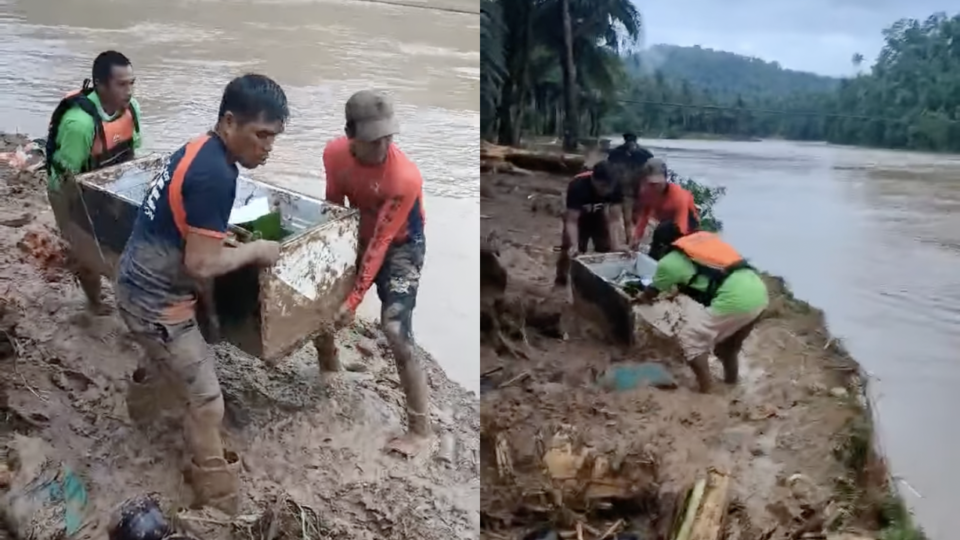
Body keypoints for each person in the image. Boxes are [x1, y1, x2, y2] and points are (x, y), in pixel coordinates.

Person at [114, 74, 288, 512]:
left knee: (162, 355)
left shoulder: (198, 149)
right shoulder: (216, 175)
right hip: (157, 302)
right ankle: (215, 493)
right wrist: (255, 250)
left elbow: (184, 223)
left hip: (135, 281)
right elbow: (201, 264)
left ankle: (140, 415)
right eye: (261, 135)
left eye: (274, 137)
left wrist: (217, 236)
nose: (268, 147)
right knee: (208, 402)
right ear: (229, 122)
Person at [321, 89, 431, 457]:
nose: (383, 146)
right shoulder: (334, 154)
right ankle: (328, 367)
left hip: (401, 243)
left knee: (396, 329)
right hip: (359, 229)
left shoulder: (405, 177)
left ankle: (420, 429)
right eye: (374, 139)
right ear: (351, 134)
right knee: (321, 292)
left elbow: (382, 242)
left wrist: (354, 298)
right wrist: (334, 270)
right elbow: (334, 209)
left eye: (389, 136)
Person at [45, 50, 142, 315]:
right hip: (69, 190)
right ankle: (95, 302)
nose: (129, 90)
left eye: (132, 82)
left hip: (112, 186)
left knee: (126, 246)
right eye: (121, 84)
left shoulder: (132, 110)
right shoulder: (80, 124)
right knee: (85, 252)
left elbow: (134, 156)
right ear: (100, 85)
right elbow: (66, 177)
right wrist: (81, 218)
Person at [635, 221, 768, 393]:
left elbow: (649, 294)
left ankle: (707, 392)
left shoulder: (669, 263)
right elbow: (703, 277)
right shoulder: (701, 239)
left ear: (661, 245)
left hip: (735, 297)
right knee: (727, 348)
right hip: (758, 291)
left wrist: (638, 299)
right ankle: (732, 384)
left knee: (692, 339)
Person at [554, 160, 625, 286]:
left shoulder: (616, 185)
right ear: (593, 178)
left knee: (606, 247)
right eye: (602, 186)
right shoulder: (578, 186)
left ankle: (602, 279)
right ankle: (561, 277)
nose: (606, 190)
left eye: (609, 187)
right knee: (569, 249)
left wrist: (616, 244)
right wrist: (574, 245)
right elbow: (571, 221)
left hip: (599, 214)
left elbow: (614, 219)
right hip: (577, 215)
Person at [630, 157, 700, 250]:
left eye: (658, 183)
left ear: (665, 179)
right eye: (651, 184)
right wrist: (635, 239)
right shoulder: (646, 192)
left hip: (686, 221)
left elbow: (682, 227)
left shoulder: (678, 196)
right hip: (664, 221)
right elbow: (643, 217)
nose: (655, 187)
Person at [607, 132, 653, 233]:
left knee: (635, 217)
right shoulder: (618, 152)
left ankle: (634, 239)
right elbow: (610, 167)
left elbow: (650, 165)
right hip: (627, 189)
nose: (630, 143)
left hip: (638, 188)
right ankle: (631, 239)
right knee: (628, 218)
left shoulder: (643, 153)